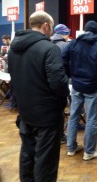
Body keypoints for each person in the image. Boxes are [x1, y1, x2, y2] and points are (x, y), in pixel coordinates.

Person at [7, 10, 70, 182]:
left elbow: (13, 77)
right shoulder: (49, 48)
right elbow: (58, 83)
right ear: (46, 26)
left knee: (27, 153)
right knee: (46, 160)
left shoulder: (13, 49)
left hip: (25, 111)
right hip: (47, 115)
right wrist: (65, 95)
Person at [62, 20, 97, 161]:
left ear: (84, 30)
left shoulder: (73, 43)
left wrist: (70, 74)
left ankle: (71, 149)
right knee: (91, 119)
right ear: (96, 32)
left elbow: (62, 59)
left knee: (73, 116)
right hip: (92, 87)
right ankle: (89, 152)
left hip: (76, 85)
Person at [51, 24, 71, 144]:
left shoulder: (47, 43)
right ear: (64, 34)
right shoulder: (65, 46)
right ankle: (60, 136)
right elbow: (70, 65)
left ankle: (55, 135)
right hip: (63, 81)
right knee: (60, 110)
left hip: (48, 84)